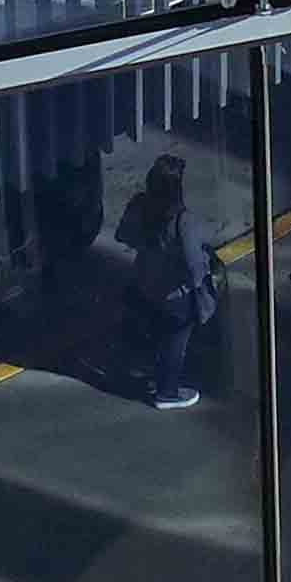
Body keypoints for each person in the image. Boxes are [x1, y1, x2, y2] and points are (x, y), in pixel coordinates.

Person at [117, 156, 219, 410]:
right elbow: (194, 269)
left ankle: (154, 374)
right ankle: (167, 392)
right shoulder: (183, 220)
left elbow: (123, 235)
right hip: (174, 295)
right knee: (175, 344)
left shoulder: (139, 205)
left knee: (156, 332)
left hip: (144, 282)